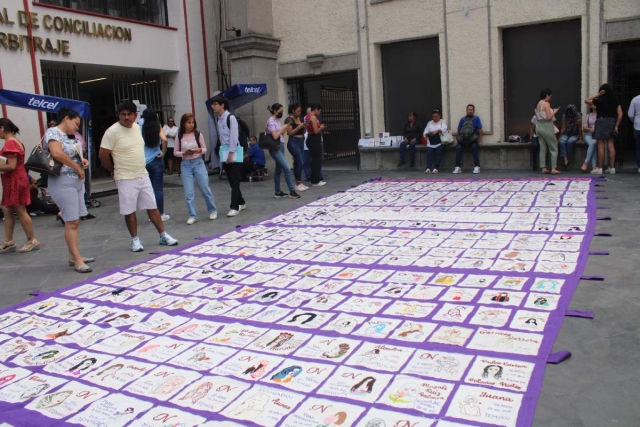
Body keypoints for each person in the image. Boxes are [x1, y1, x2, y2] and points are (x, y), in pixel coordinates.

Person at [99, 100, 178, 252]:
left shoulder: (137, 127)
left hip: (142, 173)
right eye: (123, 114)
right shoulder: (112, 132)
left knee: (152, 206)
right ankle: (134, 239)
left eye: (130, 114)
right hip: (125, 176)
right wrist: (113, 170)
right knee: (129, 210)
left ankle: (163, 235)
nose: (126, 117)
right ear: (119, 115)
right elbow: (103, 155)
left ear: (136, 115)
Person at [0, 118, 39, 254]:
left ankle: (32, 240)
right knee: (7, 209)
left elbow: (11, 165)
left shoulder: (10, 143)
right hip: (14, 180)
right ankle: (8, 241)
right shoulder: (16, 141)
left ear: (2, 128)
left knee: (20, 210)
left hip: (15, 180)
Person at [173, 113, 217, 224]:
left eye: (192, 122)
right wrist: (184, 153)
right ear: (184, 123)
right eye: (189, 122)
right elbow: (175, 152)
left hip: (198, 163)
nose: (191, 125)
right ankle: (192, 215)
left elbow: (205, 149)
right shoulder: (179, 136)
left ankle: (212, 210)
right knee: (189, 193)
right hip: (186, 164)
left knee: (205, 188)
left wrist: (199, 150)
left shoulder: (198, 134)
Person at [211, 95, 245, 217]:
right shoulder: (219, 119)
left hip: (233, 151)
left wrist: (231, 153)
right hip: (224, 151)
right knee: (231, 180)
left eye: (215, 104)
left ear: (222, 105)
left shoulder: (230, 118)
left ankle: (234, 207)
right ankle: (241, 201)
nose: (213, 106)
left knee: (235, 179)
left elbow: (234, 137)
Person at [585, 84, 623, 174]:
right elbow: (620, 114)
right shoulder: (615, 100)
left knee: (601, 146)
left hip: (601, 121)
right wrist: (617, 125)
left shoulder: (599, 100)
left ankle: (600, 168)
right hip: (611, 121)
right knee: (610, 145)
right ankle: (612, 168)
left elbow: (586, 100)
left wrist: (598, 95)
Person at [141, 109, 170, 222]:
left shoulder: (139, 127)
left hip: (144, 162)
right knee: (158, 188)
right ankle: (160, 214)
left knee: (148, 190)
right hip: (156, 160)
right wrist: (163, 152)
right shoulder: (157, 126)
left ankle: (151, 216)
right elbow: (164, 139)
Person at [267, 103, 299, 199]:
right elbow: (275, 136)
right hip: (275, 147)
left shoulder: (277, 121)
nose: (282, 113)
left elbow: (280, 135)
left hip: (280, 145)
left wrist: (284, 129)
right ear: (275, 111)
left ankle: (277, 191)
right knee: (286, 168)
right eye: (280, 111)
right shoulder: (271, 121)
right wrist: (283, 128)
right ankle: (292, 191)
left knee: (278, 169)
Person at [535, 89, 561, 174]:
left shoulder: (537, 104)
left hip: (539, 126)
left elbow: (538, 116)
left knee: (543, 147)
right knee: (554, 147)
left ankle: (543, 167)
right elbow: (549, 117)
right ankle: (553, 168)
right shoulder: (546, 104)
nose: (550, 98)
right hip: (547, 127)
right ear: (547, 95)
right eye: (550, 96)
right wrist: (554, 112)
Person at [284, 104, 308, 191]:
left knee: (300, 161)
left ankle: (299, 182)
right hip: (293, 142)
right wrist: (299, 127)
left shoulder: (300, 119)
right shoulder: (289, 120)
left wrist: (304, 127)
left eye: (300, 111)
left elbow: (303, 131)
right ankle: (297, 183)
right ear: (293, 110)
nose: (299, 113)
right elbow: (290, 133)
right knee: (299, 161)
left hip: (301, 141)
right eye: (297, 111)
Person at [454, 104, 483, 174]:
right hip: (463, 140)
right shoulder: (462, 119)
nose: (470, 111)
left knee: (474, 147)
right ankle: (457, 167)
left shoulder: (477, 119)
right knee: (458, 148)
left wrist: (480, 141)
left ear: (473, 111)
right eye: (469, 110)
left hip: (473, 140)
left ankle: (477, 166)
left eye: (471, 110)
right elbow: (458, 131)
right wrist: (457, 141)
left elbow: (480, 130)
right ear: (466, 110)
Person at [305, 104, 326, 186]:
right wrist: (321, 127)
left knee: (314, 159)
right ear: (316, 109)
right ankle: (315, 180)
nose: (319, 113)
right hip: (314, 139)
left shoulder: (307, 116)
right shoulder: (313, 117)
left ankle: (314, 179)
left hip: (310, 138)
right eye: (319, 111)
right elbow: (316, 131)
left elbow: (307, 127)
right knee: (316, 160)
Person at [558, 104, 583, 169]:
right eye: (568, 113)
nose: (569, 114)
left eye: (570, 113)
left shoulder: (578, 116)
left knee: (569, 142)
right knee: (561, 141)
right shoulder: (564, 116)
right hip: (566, 133)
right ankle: (565, 159)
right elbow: (563, 128)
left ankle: (568, 157)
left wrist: (581, 138)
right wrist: (559, 137)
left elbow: (580, 128)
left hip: (575, 134)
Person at [423, 108, 447, 174]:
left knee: (438, 151)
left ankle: (436, 168)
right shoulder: (429, 123)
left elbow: (444, 128)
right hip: (431, 142)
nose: (435, 118)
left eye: (436, 116)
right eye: (433, 116)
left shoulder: (442, 121)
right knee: (429, 152)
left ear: (439, 116)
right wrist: (428, 133)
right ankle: (428, 168)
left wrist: (437, 131)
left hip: (440, 141)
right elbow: (425, 132)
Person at [582, 105, 598, 172]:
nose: (594, 105)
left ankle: (586, 162)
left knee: (593, 143)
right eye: (592, 104)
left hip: (597, 135)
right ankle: (594, 166)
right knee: (592, 144)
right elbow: (584, 127)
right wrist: (590, 129)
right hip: (588, 134)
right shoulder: (588, 115)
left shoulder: (600, 115)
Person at [627, 92, 640, 173]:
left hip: (637, 126)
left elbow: (630, 114)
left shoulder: (635, 99)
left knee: (638, 147)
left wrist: (634, 120)